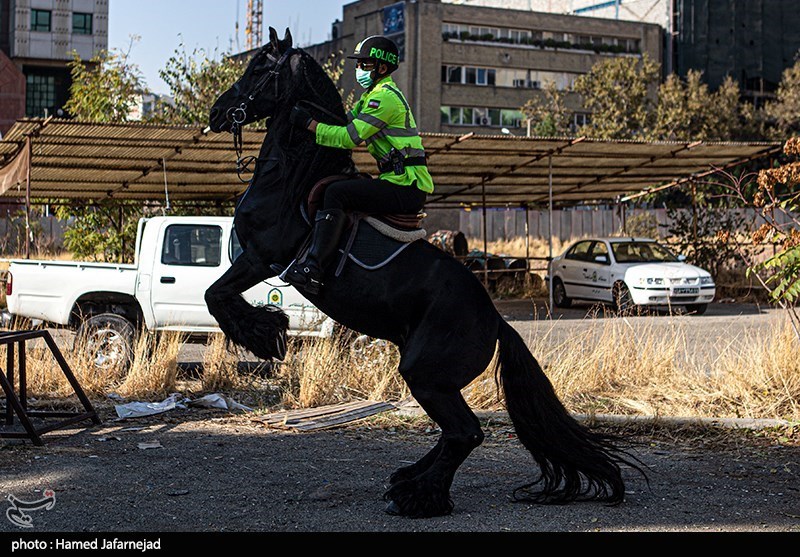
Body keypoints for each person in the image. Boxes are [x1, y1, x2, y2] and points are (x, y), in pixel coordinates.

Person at [283, 35, 434, 295]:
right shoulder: (369, 97)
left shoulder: (384, 99)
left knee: (336, 193)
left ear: (382, 68)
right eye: (359, 64)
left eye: (365, 64)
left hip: (406, 187)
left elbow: (348, 137)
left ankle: (314, 269)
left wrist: (308, 124)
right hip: (395, 182)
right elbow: (342, 122)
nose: (359, 69)